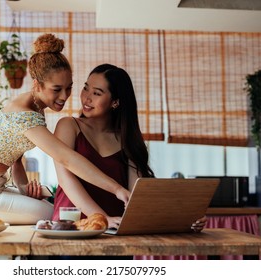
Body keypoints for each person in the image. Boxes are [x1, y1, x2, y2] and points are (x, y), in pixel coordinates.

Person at [0, 35, 130, 225]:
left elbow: (16, 160)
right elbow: (66, 158)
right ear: (37, 84)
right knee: (50, 212)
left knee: (47, 204)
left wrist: (23, 187)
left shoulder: (35, 107)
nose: (64, 96)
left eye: (69, 88)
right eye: (56, 89)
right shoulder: (24, 114)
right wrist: (117, 189)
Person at [52, 63, 206, 232]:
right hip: (72, 228)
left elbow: (136, 195)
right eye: (86, 88)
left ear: (115, 102)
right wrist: (101, 219)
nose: (87, 98)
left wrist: (185, 219)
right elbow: (65, 180)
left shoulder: (127, 140)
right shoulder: (68, 126)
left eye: (97, 93)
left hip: (114, 231)